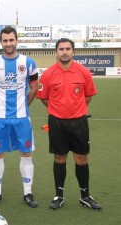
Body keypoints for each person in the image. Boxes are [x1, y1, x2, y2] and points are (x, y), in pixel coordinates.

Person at [36, 38, 102, 211]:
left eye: (67, 49)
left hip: (79, 122)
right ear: (55, 52)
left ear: (73, 51)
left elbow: (88, 96)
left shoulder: (84, 72)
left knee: (81, 159)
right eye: (61, 49)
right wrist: (58, 110)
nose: (64, 52)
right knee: (59, 158)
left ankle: (85, 196)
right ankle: (59, 196)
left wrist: (75, 110)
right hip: (57, 123)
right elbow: (44, 98)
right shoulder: (49, 74)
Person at [0, 26, 39, 208]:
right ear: (1, 42)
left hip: (22, 119)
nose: (8, 43)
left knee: (26, 154)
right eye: (5, 40)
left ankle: (28, 193)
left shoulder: (28, 62)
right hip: (0, 119)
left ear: (16, 41)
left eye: (11, 40)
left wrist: (24, 106)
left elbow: (34, 88)